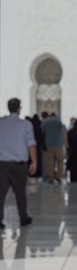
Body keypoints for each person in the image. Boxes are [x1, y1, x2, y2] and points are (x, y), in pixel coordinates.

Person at [0, 98, 37, 228]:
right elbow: (31, 144)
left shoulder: (1, 122)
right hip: (19, 165)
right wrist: (34, 161)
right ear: (19, 109)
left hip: (2, 165)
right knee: (20, 193)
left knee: (0, 193)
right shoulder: (26, 124)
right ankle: (23, 218)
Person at [42, 112, 67, 183]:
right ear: (55, 116)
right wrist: (65, 143)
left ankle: (51, 178)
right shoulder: (59, 121)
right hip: (58, 145)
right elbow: (63, 131)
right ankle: (59, 177)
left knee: (50, 162)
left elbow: (42, 132)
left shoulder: (46, 122)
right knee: (60, 161)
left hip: (49, 145)